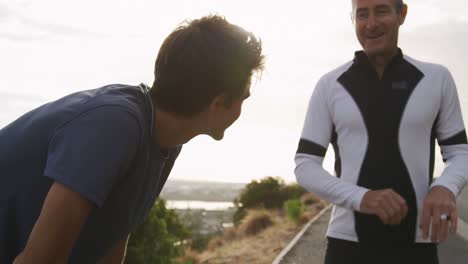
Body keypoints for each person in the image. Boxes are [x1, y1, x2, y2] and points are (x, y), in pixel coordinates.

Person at [0, 15, 264, 263]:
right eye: (244, 97)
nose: (243, 106)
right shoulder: (114, 125)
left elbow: (114, 237)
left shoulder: (165, 141)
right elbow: (41, 260)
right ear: (218, 104)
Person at [294, 0, 468, 263]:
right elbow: (305, 164)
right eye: (362, 14)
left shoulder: (436, 79)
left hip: (416, 245)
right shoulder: (330, 85)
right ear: (353, 19)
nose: (371, 23)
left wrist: (445, 187)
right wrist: (363, 198)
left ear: (402, 14)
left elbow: (460, 153)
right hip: (347, 246)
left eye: (382, 10)